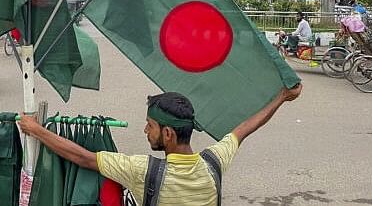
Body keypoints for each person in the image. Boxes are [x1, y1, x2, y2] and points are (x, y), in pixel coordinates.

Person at [19, 86, 302, 205]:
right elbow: (243, 129)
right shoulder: (213, 163)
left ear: (167, 134)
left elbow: (83, 158)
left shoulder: (143, 171)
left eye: (150, 126)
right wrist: (281, 97)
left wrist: (36, 130)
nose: (145, 130)